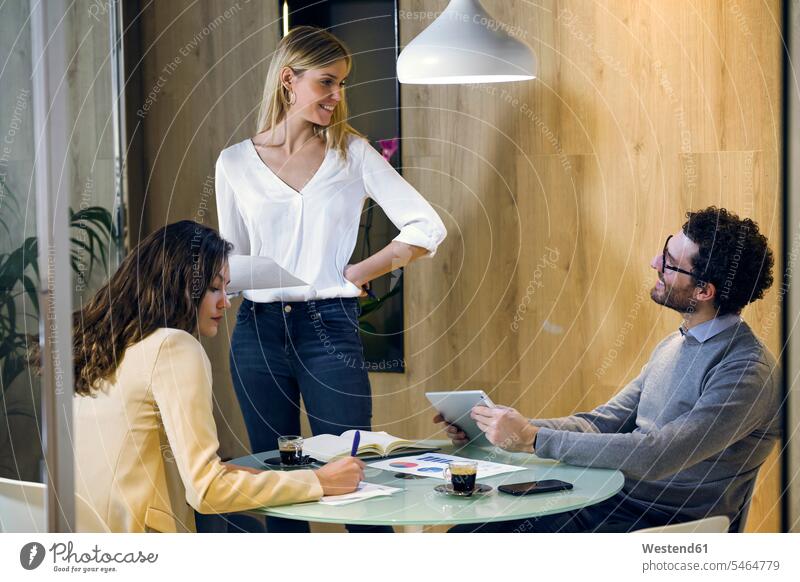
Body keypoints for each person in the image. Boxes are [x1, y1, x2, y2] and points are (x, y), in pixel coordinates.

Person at [215, 26, 446, 532]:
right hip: (257, 334)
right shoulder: (232, 163)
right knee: (275, 484)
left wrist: (361, 271)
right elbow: (233, 258)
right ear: (288, 81)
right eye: (327, 82)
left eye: (342, 84)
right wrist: (217, 283)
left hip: (329, 329)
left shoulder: (352, 153)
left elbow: (428, 227)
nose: (337, 96)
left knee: (356, 482)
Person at [437, 207, 781, 532]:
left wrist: (533, 439)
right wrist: (497, 425)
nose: (654, 263)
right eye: (664, 251)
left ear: (704, 290)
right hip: (605, 502)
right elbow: (598, 423)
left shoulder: (746, 372)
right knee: (469, 532)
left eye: (670, 263)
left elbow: (657, 454)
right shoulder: (674, 345)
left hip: (662, 527)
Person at [72, 221, 364, 533]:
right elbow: (207, 491)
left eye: (227, 288)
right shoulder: (174, 346)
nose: (225, 301)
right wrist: (319, 481)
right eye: (214, 288)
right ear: (178, 284)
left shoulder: (104, 346)